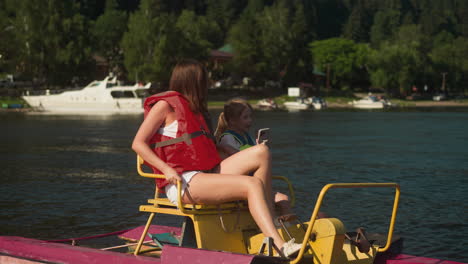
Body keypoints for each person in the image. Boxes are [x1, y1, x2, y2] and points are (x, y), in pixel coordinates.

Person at [132, 59, 301, 257]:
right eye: (205, 80)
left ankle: (270, 221)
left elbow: (201, 148)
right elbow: (138, 143)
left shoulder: (196, 110)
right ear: (194, 81)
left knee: (261, 152)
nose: (208, 84)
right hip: (184, 182)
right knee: (252, 184)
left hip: (207, 173)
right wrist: (166, 169)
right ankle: (279, 245)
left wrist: (227, 149)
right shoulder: (164, 106)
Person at [215, 98, 292, 217]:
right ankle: (277, 226)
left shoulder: (246, 136)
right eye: (245, 117)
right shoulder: (228, 138)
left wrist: (259, 145)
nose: (250, 120)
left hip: (254, 183)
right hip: (241, 185)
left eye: (250, 116)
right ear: (232, 120)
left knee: (284, 200)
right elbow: (235, 161)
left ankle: (287, 228)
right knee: (282, 200)